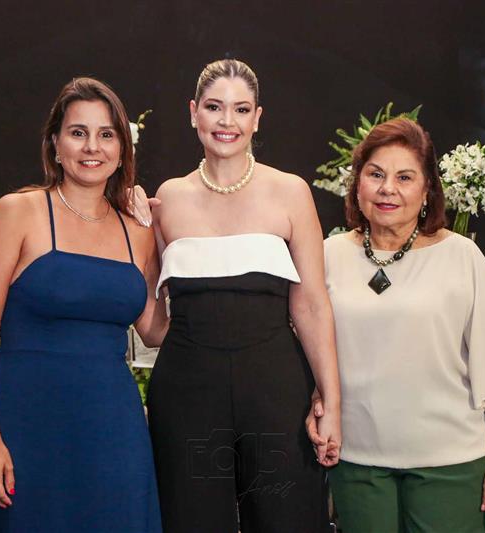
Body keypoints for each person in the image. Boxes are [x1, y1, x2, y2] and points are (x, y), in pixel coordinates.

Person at [311, 117, 485, 533]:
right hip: (357, 460)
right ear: (357, 184)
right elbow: (312, 347)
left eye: (404, 177)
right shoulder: (327, 255)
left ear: (427, 189)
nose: (388, 189)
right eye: (375, 174)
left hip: (451, 463)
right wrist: (316, 398)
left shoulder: (462, 256)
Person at [144, 59, 341, 533]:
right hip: (186, 395)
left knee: (288, 521)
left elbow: (312, 305)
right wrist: (127, 232)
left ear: (257, 118)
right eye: (214, 107)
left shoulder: (290, 192)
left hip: (276, 392)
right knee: (190, 523)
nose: (226, 121)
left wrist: (332, 400)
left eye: (241, 109)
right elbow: (151, 327)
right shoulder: (166, 199)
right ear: (193, 112)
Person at [0, 77, 167, 533]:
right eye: (78, 132)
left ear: (122, 149)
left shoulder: (138, 231)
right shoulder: (18, 212)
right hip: (25, 425)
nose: (92, 146)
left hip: (113, 429)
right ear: (55, 144)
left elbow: (155, 330)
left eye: (106, 134)